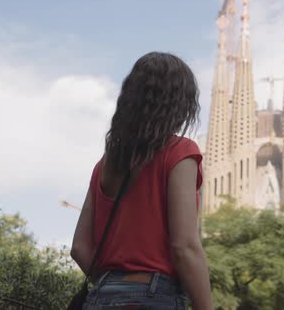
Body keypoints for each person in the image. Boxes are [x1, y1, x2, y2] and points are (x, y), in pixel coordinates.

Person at [70, 52, 213, 310]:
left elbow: (79, 248)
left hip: (100, 297)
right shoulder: (180, 151)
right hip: (153, 297)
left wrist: (114, 283)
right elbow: (184, 247)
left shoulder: (105, 165)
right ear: (179, 103)